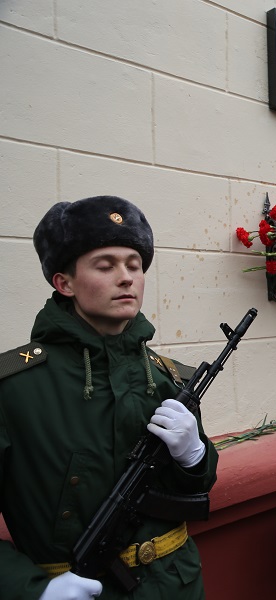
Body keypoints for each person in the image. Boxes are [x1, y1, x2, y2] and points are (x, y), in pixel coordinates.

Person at [0, 196, 218, 599]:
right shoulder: (12, 387)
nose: (127, 278)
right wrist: (30, 590)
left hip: (177, 585)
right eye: (106, 265)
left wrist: (195, 457)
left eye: (134, 266)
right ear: (64, 283)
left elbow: (195, 490)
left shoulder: (167, 377)